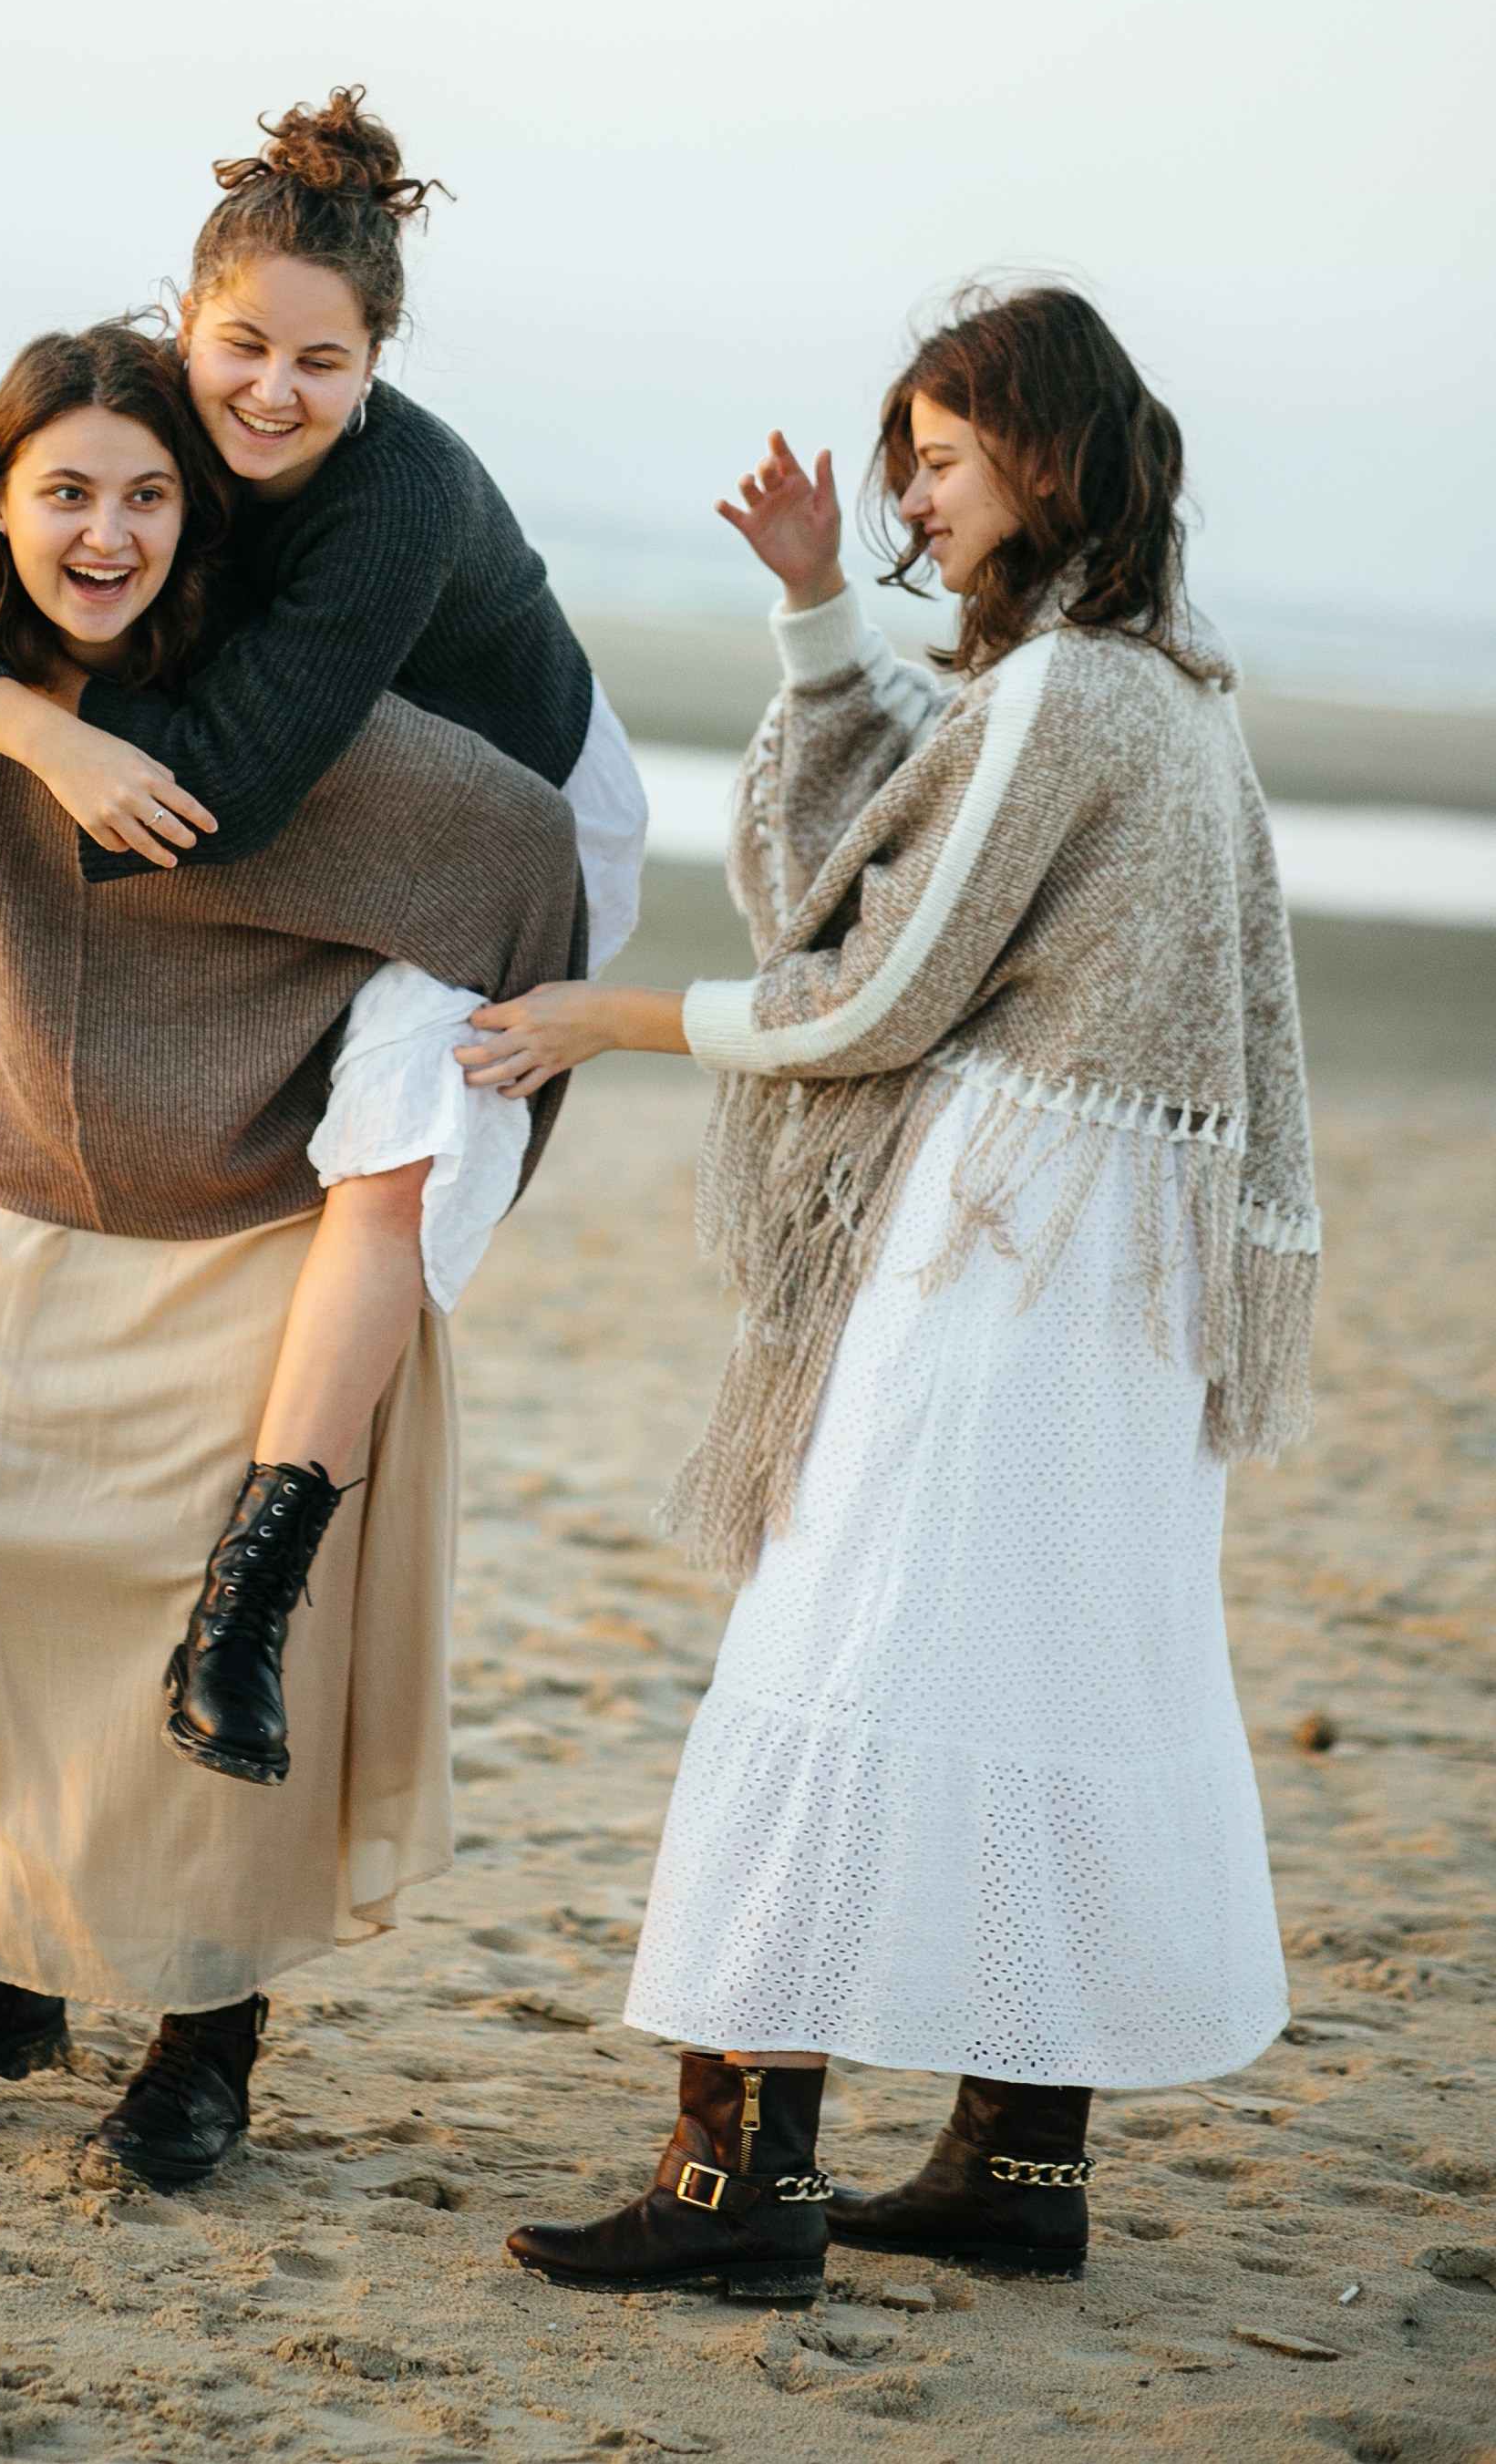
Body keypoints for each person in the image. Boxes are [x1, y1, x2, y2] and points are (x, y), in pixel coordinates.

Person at [457, 285, 1318, 2304]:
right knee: (1044, 1667)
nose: (914, 502)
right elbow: (904, 825)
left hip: (1001, 1255)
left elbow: (888, 967)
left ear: (1043, 453)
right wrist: (818, 607)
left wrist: (621, 1012)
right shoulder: (1161, 693)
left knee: (841, 1643)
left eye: (936, 462)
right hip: (1116, 1267)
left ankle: (734, 2182)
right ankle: (1018, 2166)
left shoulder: (1072, 699)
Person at [0, 90, 646, 1793]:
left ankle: (250, 1591)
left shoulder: (398, 502)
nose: (273, 397)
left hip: (484, 820)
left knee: (392, 1126)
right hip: (272, 764)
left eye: (324, 365)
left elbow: (224, 788)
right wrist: (52, 735)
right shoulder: (121, 407)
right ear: (184, 320)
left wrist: (15, 698)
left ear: (378, 369)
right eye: (243, 350)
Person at [0, 320, 583, 2182]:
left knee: (195, 1658)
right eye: (67, 491)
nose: (109, 531)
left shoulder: (323, 723)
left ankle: (205, 2042)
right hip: (44, 1201)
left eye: (149, 495)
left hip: (252, 1227)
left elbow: (520, 843)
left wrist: (476, 1084)